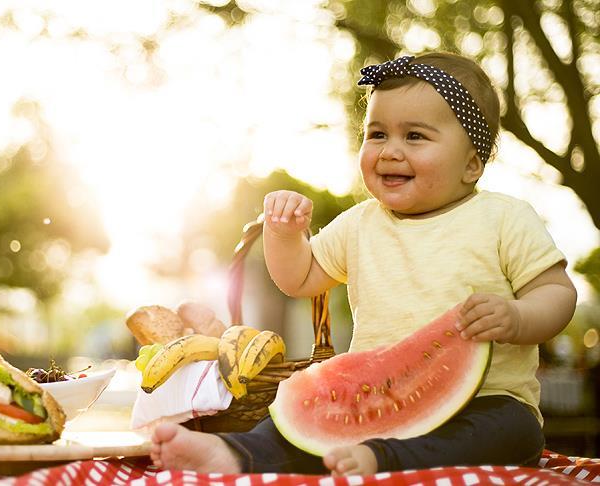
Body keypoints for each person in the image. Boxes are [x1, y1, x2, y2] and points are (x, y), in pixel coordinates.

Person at [149, 52, 578, 476]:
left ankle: (383, 460)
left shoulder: (504, 218)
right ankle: (234, 454)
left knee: (514, 431)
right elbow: (300, 277)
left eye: (415, 136)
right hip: (368, 400)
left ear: (472, 163)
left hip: (488, 399)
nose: (390, 151)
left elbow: (556, 292)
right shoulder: (359, 223)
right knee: (288, 426)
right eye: (377, 134)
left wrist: (518, 317)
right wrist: (283, 234)